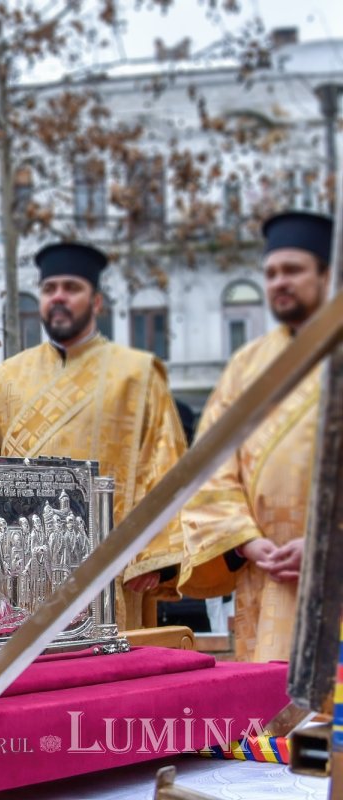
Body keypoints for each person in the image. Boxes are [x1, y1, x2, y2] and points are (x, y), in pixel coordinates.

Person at [0, 242, 187, 629]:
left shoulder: (137, 375)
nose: (59, 297)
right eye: (49, 289)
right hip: (18, 573)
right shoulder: (6, 377)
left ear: (96, 301)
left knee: (109, 665)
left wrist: (153, 555)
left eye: (71, 288)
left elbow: (166, 466)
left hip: (110, 569)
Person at [180, 210, 332, 662]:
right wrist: (244, 540)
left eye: (293, 270)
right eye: (271, 273)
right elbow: (209, 466)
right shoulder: (245, 367)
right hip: (266, 578)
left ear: (327, 275)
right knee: (273, 702)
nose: (279, 282)